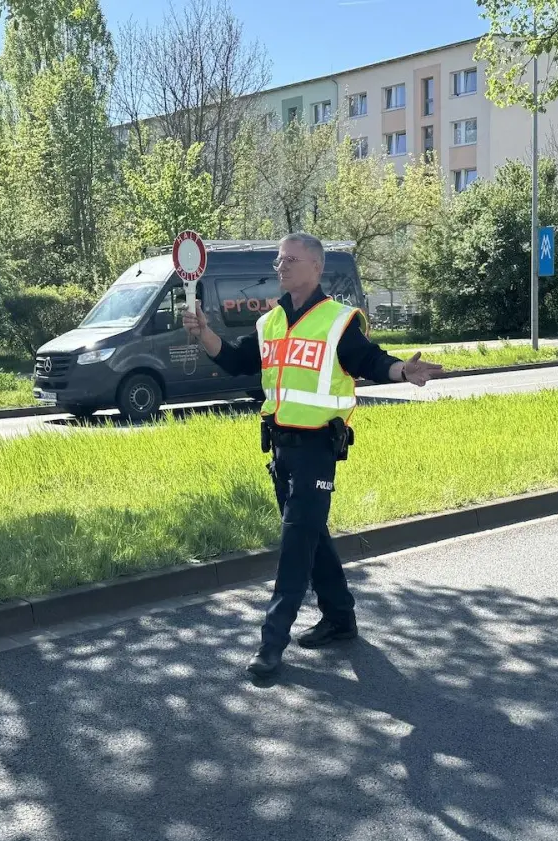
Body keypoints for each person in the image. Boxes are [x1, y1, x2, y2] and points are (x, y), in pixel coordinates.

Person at [183, 232, 442, 677]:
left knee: (295, 543)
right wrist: (206, 333)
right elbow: (236, 361)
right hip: (280, 448)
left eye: (291, 259)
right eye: (279, 259)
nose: (281, 266)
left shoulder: (338, 321)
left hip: (319, 450)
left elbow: (369, 360)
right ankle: (340, 617)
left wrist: (402, 370)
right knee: (312, 535)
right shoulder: (271, 323)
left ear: (316, 268)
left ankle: (271, 643)